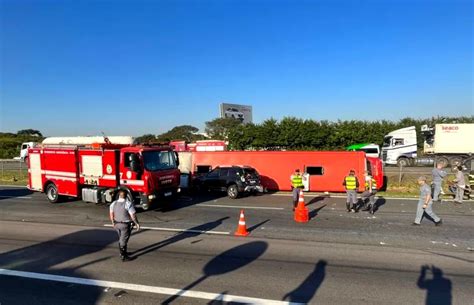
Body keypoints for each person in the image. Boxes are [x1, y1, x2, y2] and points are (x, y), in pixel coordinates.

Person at [109, 190, 140, 261]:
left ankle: (123, 252)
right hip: (125, 225)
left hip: (116, 224)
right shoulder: (128, 203)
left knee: (121, 238)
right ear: (126, 196)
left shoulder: (113, 203)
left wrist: (112, 222)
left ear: (119, 196)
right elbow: (133, 215)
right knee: (124, 239)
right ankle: (123, 256)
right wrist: (136, 223)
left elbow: (111, 214)